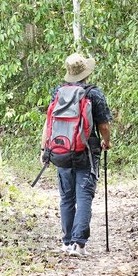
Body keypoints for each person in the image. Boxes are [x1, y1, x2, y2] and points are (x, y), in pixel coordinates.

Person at [44, 52, 112, 255]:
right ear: (86, 73)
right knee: (84, 196)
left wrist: (45, 149)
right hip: (86, 152)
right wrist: (106, 142)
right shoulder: (94, 94)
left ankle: (66, 241)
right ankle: (79, 243)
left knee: (66, 197)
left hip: (61, 149)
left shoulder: (58, 92)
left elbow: (49, 122)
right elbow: (104, 126)